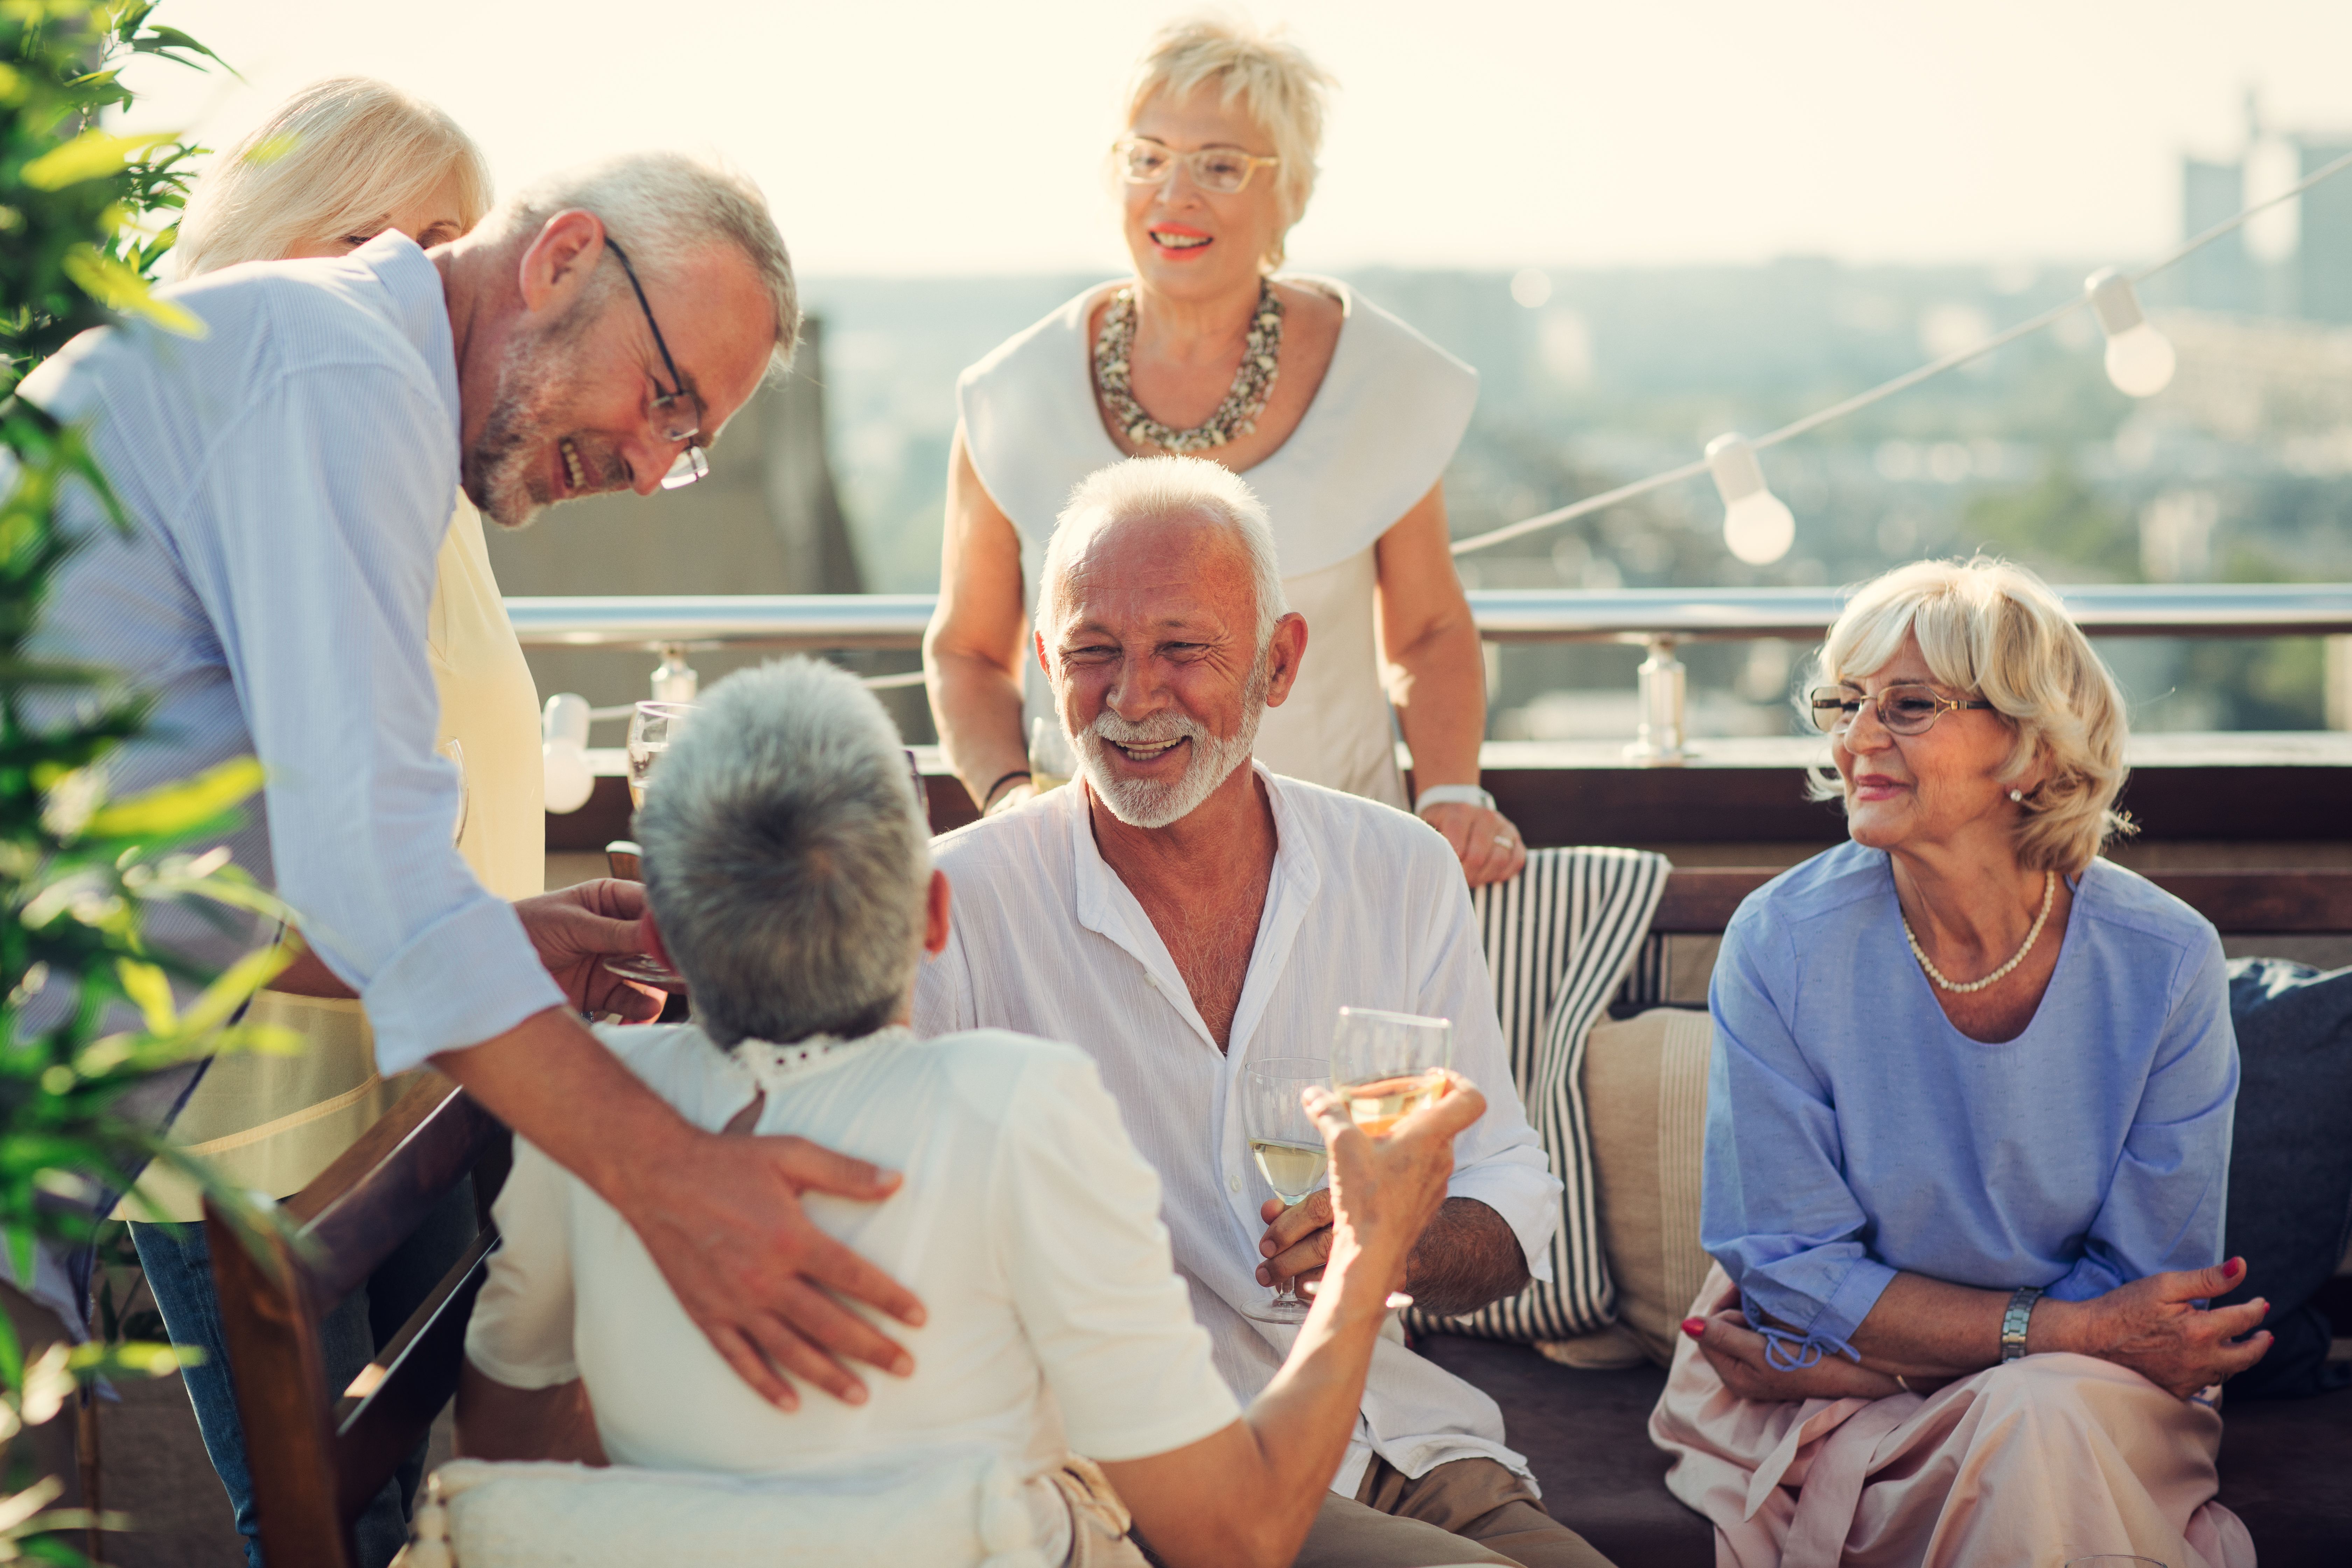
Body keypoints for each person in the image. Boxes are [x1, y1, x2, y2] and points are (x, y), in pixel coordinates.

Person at [22, 146, 931, 1502]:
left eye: (688, 447)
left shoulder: (352, 380)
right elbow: (375, 873)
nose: (645, 461)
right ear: (563, 256)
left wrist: (500, 936)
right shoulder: (340, 376)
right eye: (665, 398)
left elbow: (219, 869)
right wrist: (673, 1179)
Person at [457, 657, 1492, 1568]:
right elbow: (1237, 1541)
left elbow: (511, 1435)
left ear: (665, 946)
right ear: (938, 917)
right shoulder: (1019, 1105)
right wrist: (1370, 1244)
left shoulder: (585, 1108)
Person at [915, 455, 1609, 1568]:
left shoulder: (1400, 869)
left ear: (1279, 663)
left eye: (1183, 650)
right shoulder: (956, 903)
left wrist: (1396, 1247)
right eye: (1095, 653)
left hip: (1406, 1437)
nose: (1133, 700)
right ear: (1047, 666)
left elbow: (1509, 1189)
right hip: (1148, 1477)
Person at [98, 78, 533, 1567]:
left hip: (411, 1077)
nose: (408, 281)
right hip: (241, 1109)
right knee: (319, 1520)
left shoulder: (415, 450)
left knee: (436, 1487)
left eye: (446, 246)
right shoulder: (211, 448)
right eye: (377, 236)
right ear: (267, 233)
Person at [1650, 557, 2264, 1568]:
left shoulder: (2165, 959)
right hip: (1829, 1413)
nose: (1856, 739)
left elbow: (2151, 1298)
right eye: (1844, 704)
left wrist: (1897, 1356)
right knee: (2030, 1429)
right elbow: (1794, 1272)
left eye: (1910, 705)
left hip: (2043, 1393)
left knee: (2037, 1424)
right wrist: (2057, 1334)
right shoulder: (1782, 941)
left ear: (2029, 742)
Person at [924, 16, 1526, 888]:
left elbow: (1429, 631)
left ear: (1291, 196)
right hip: (1086, 873)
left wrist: (1453, 792)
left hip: (1334, 868)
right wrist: (1014, 799)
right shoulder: (1012, 393)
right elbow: (968, 650)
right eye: (1148, 157)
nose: (1176, 195)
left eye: (1219, 165)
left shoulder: (1377, 377)